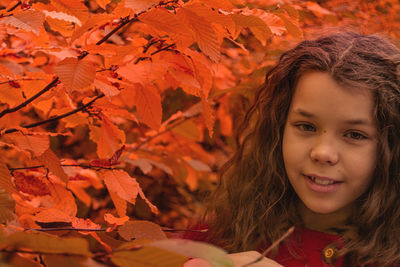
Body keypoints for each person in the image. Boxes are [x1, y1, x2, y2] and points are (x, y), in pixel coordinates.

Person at [183, 32, 400, 266]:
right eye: (306, 126)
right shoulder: (220, 237)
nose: (322, 153)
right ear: (279, 129)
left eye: (355, 135)